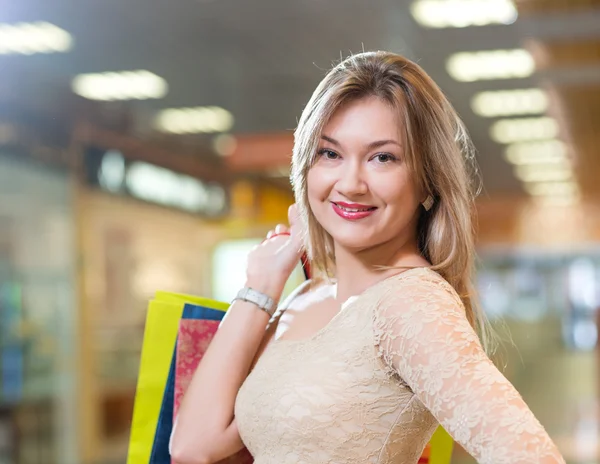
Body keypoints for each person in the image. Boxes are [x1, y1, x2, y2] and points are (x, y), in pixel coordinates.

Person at [170, 51, 565, 464]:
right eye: (330, 153)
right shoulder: (306, 295)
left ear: (428, 181)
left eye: (383, 157)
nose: (351, 183)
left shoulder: (411, 305)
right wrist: (260, 284)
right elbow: (192, 447)